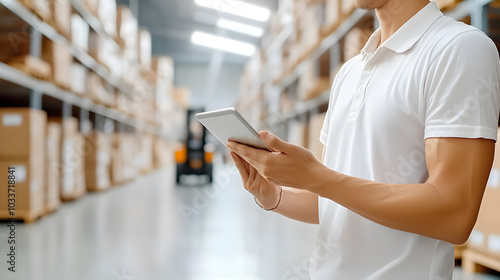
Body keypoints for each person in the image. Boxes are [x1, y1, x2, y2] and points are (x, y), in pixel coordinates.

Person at [227, 0, 500, 279]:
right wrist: (274, 196)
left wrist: (316, 177)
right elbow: (337, 203)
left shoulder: (459, 49)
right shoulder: (348, 73)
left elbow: (454, 214)